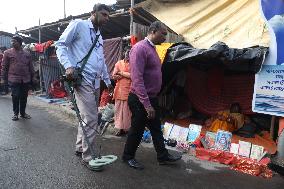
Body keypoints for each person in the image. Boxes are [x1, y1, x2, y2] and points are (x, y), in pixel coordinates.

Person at [55, 3, 113, 170]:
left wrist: (108, 81)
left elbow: (101, 61)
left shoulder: (99, 35)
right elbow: (60, 45)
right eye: (104, 14)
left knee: (87, 117)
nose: (106, 18)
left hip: (95, 82)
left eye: (108, 16)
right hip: (81, 80)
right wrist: (68, 65)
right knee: (92, 118)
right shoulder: (78, 25)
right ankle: (89, 157)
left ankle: (80, 148)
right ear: (93, 13)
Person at [122, 21, 182, 170]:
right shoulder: (140, 48)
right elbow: (137, 79)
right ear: (153, 31)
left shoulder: (152, 48)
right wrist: (147, 104)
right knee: (137, 129)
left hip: (151, 97)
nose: (165, 38)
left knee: (156, 128)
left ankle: (163, 156)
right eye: (163, 34)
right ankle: (128, 157)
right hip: (140, 98)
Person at [0, 35, 34, 121]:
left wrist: (33, 77)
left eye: (14, 41)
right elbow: (4, 67)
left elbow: (31, 67)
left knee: (24, 97)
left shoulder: (27, 54)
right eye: (12, 41)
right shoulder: (7, 53)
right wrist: (3, 78)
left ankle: (23, 113)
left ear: (19, 43)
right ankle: (15, 114)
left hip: (25, 79)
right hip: (14, 78)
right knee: (15, 96)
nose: (12, 43)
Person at [112, 48, 131, 136]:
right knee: (119, 110)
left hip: (129, 90)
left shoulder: (134, 63)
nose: (128, 55)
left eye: (130, 53)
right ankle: (119, 128)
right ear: (124, 53)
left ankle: (127, 129)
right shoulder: (119, 63)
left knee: (127, 111)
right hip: (119, 90)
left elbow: (132, 76)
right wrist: (120, 75)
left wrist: (121, 73)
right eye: (127, 53)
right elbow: (114, 76)